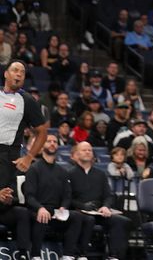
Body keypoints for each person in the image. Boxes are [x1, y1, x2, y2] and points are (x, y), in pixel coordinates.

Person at [24, 134, 94, 260]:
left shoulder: (62, 171)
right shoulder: (34, 169)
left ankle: (68, 254)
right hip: (38, 209)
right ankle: (35, 255)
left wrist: (63, 207)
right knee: (43, 216)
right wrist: (40, 208)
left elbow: (67, 195)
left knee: (77, 216)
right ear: (42, 146)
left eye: (55, 142)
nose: (52, 143)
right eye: (48, 141)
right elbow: (29, 196)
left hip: (57, 211)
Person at [68, 142, 130, 260]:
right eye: (84, 150)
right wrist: (82, 206)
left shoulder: (100, 174)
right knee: (87, 219)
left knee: (122, 221)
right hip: (79, 211)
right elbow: (67, 198)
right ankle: (81, 254)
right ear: (77, 154)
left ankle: (114, 256)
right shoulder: (70, 173)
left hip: (98, 212)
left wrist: (106, 206)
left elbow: (108, 195)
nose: (87, 152)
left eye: (90, 150)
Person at [0, 62, 48, 191]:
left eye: (22, 72)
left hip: (6, 156)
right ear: (6, 74)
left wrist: (29, 157)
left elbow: (42, 132)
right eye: (15, 70)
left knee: (4, 199)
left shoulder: (27, 100)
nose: (19, 74)